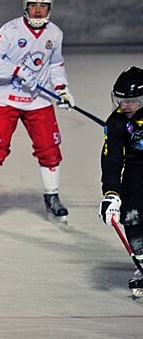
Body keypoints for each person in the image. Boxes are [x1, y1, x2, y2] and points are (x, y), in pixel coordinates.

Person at [0, 0, 74, 225]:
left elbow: (56, 64)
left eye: (43, 6)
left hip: (38, 101)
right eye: (33, 5)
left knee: (49, 149)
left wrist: (61, 89)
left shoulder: (55, 34)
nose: (38, 10)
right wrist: (17, 71)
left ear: (50, 8)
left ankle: (52, 197)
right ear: (25, 7)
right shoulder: (10, 30)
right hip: (4, 100)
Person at [99, 66, 143, 298]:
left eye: (132, 101)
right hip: (136, 166)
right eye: (121, 100)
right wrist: (111, 193)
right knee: (131, 213)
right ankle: (142, 263)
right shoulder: (116, 121)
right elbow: (112, 158)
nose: (124, 106)